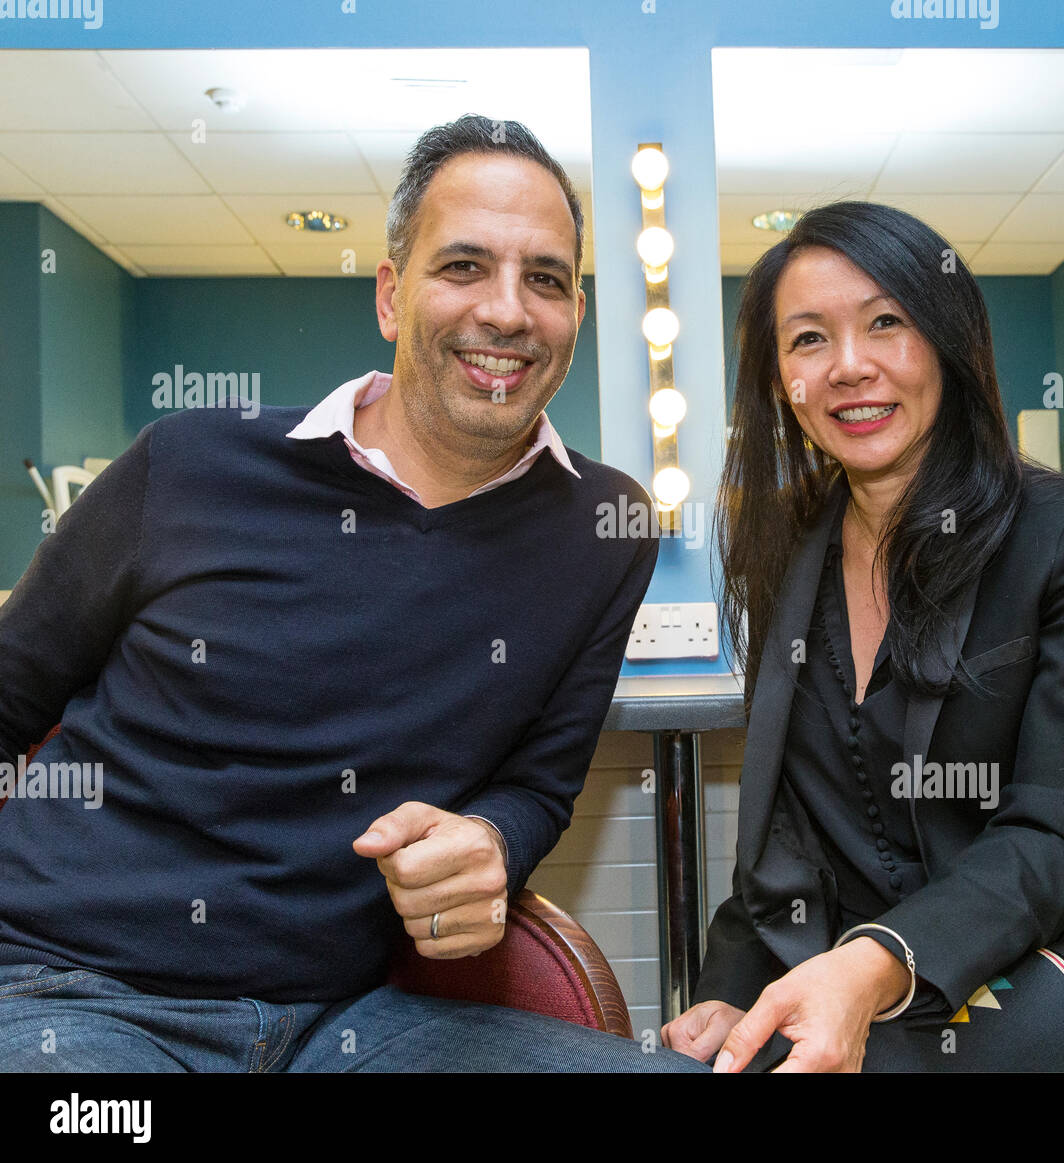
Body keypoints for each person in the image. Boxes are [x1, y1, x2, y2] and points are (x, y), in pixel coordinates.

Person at [0, 114, 705, 1073]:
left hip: (350, 1021)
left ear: (575, 311)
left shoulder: (603, 527)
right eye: (463, 266)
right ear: (389, 294)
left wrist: (491, 841)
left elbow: (538, 783)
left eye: (544, 277)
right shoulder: (191, 463)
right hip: (73, 996)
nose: (507, 311)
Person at [662, 201, 1064, 1074]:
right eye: (808, 339)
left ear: (949, 343)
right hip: (883, 977)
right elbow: (785, 827)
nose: (850, 365)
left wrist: (872, 963)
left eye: (887, 322)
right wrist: (733, 994)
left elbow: (1056, 836)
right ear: (779, 380)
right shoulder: (784, 545)